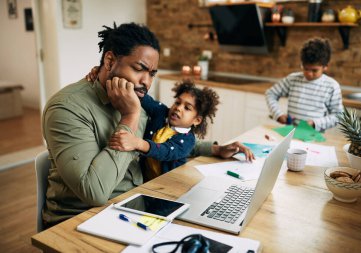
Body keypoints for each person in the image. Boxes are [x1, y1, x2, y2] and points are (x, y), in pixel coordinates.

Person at [42, 22, 253, 228]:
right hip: (82, 219)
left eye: (152, 73)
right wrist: (130, 116)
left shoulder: (137, 97)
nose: (147, 82)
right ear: (109, 61)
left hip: (137, 202)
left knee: (220, 221)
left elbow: (165, 138)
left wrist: (215, 149)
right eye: (139, 69)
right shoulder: (68, 108)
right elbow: (94, 192)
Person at [108, 80, 221, 181]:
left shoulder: (188, 140)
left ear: (196, 120)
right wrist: (122, 81)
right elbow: (144, 98)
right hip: (144, 181)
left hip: (167, 186)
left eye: (187, 108)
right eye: (177, 102)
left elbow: (165, 151)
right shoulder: (161, 112)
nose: (178, 108)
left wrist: (138, 143)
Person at [265, 37, 343, 132]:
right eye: (306, 68)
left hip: (314, 137)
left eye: (314, 70)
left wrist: (315, 123)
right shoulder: (292, 79)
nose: (309, 73)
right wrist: (277, 114)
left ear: (325, 66)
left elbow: (338, 116)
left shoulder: (332, 86)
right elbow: (270, 94)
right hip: (290, 134)